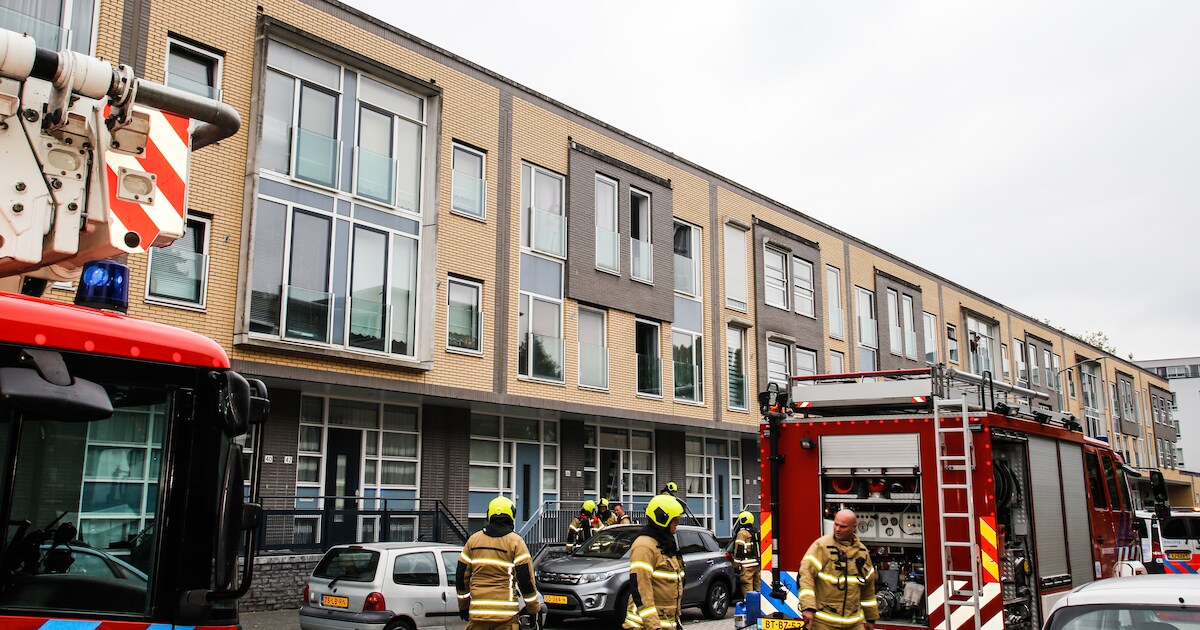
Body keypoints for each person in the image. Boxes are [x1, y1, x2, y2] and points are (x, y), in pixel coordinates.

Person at [457, 496, 540, 630]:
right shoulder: (516, 542)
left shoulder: (473, 541)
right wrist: (533, 609)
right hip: (505, 616)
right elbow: (526, 579)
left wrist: (463, 606)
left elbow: (461, 576)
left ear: (489, 515)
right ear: (511, 515)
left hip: (478, 613)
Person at [798, 509, 878, 630]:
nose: (837, 529)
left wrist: (870, 618)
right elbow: (806, 575)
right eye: (836, 524)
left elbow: (868, 588)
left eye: (843, 526)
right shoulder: (822, 547)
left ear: (853, 528)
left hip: (854, 623)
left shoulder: (862, 553)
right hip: (824, 622)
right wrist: (808, 607)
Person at [622, 494, 685, 630]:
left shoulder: (665, 544)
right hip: (643, 626)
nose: (678, 522)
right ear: (663, 519)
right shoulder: (644, 546)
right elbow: (641, 590)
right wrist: (654, 626)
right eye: (675, 518)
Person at [732, 511, 760, 601]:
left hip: (746, 565)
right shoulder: (755, 532)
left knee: (747, 585)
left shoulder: (742, 533)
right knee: (758, 585)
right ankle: (760, 604)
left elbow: (739, 550)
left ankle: (749, 605)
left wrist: (736, 565)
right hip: (757, 563)